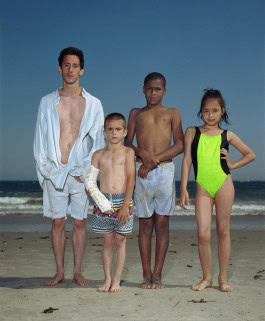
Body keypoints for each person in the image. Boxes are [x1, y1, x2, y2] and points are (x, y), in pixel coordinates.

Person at [33, 47, 105, 286]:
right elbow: (40, 140)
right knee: (57, 222)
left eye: (75, 66)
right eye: (66, 65)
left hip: (79, 173)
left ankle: (77, 271)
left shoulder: (94, 104)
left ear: (81, 70)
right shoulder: (46, 102)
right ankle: (59, 271)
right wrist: (48, 172)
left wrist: (86, 174)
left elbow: (98, 143)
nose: (70, 70)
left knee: (78, 222)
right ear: (59, 68)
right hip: (55, 171)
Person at [180, 89, 256, 292]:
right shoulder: (192, 132)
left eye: (215, 110)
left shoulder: (227, 135)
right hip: (202, 186)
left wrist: (232, 165)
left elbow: (250, 154)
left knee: (223, 231)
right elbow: (187, 160)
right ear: (201, 112)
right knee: (203, 234)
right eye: (206, 111)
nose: (211, 115)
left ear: (222, 110)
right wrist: (183, 188)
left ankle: (223, 278)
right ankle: (206, 278)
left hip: (224, 184)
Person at [125, 72, 184, 289]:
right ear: (143, 89)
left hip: (164, 170)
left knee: (162, 224)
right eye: (149, 89)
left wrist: (153, 159)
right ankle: (146, 274)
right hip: (141, 172)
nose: (153, 93)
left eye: (157, 89)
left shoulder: (172, 112)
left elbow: (180, 144)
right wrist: (142, 153)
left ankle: (157, 275)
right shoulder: (135, 113)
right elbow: (127, 143)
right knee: (144, 225)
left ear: (164, 91)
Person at [85, 113, 135, 292]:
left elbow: (131, 178)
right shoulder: (98, 155)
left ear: (125, 132)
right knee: (107, 241)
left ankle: (116, 280)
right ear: (104, 132)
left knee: (120, 240)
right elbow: (89, 181)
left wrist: (125, 205)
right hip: (103, 201)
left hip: (123, 200)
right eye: (110, 129)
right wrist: (101, 202)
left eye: (118, 129)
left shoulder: (129, 152)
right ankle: (106, 279)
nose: (114, 133)